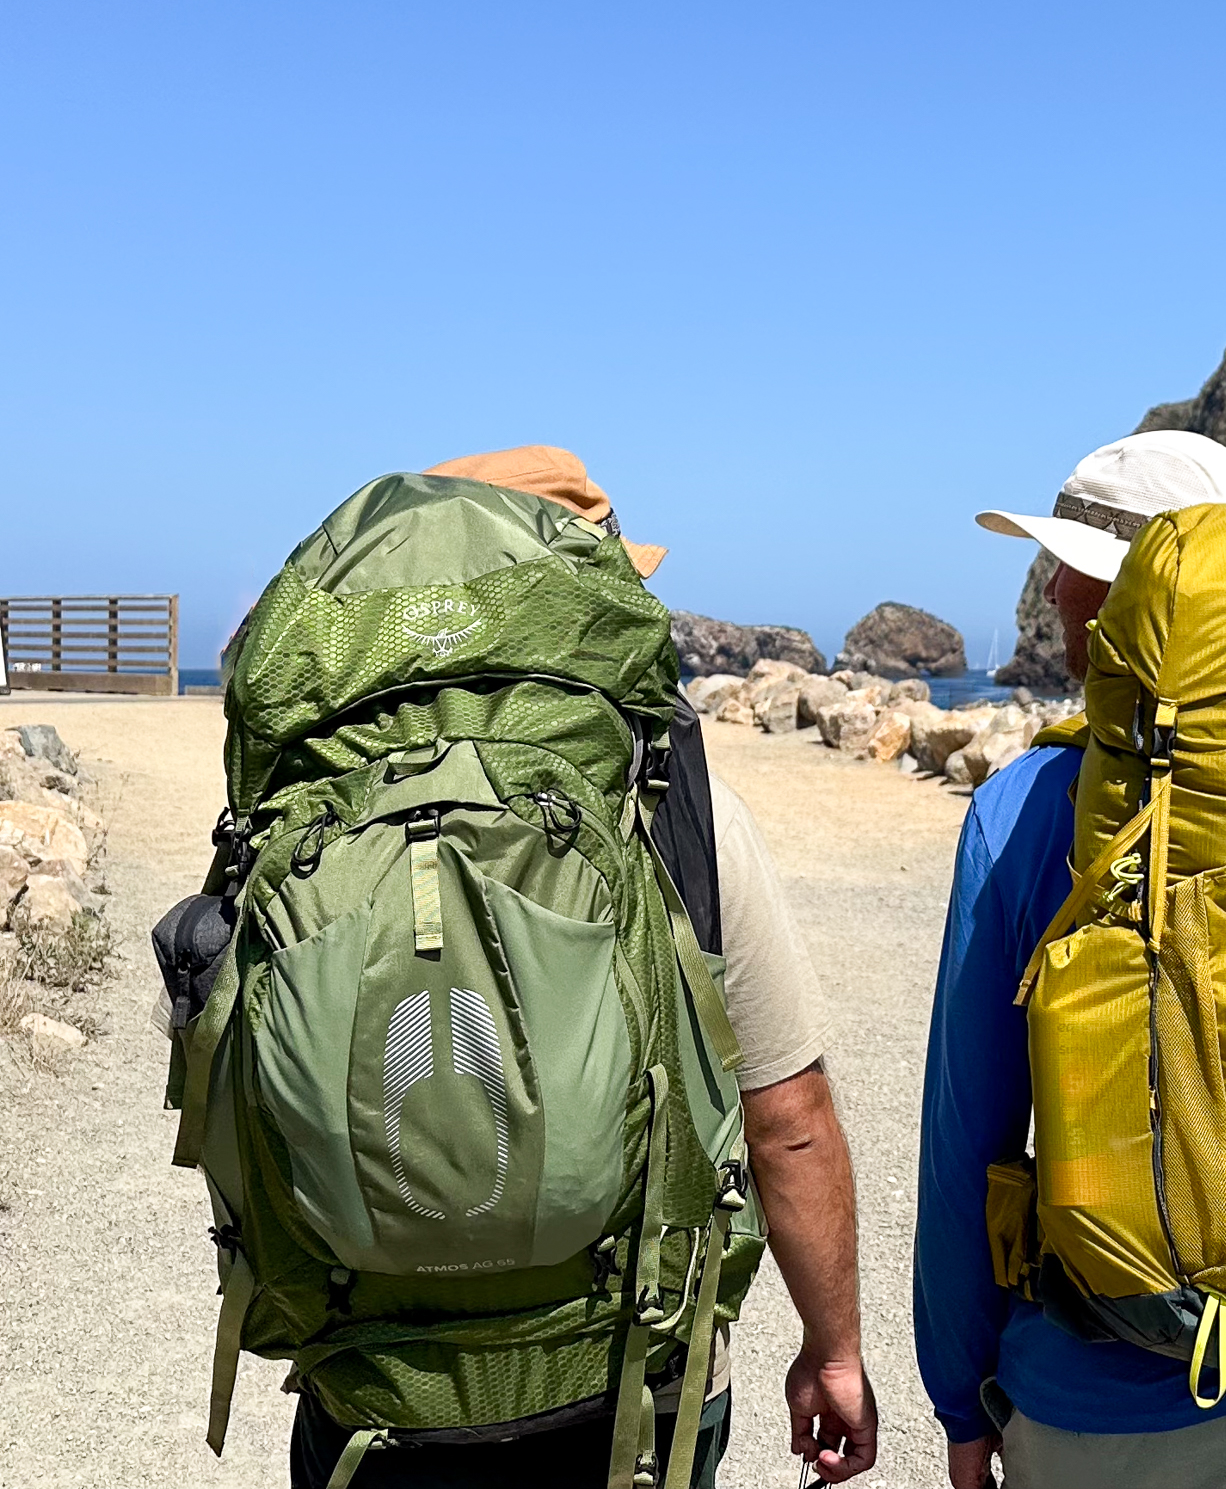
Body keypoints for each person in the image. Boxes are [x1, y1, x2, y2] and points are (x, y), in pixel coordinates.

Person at [285, 446, 880, 1488]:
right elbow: (789, 1117)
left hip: (374, 1381)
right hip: (627, 1391)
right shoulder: (677, 803)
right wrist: (833, 1353)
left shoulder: (306, 804)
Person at [913, 431, 1226, 1489]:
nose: (1052, 586)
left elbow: (969, 1135)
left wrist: (959, 1398)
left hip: (1102, 1399)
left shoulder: (1025, 810)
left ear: (1116, 594)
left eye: (1069, 564)